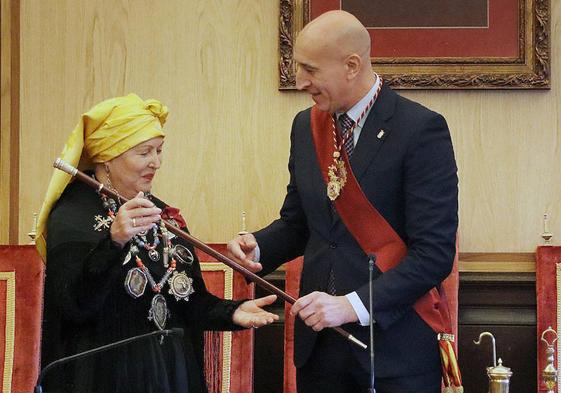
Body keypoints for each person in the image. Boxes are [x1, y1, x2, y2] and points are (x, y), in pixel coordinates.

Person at [227, 10, 459, 393]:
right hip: (320, 350)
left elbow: (433, 254)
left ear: (352, 65)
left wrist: (353, 305)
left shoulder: (419, 130)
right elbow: (300, 223)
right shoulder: (306, 126)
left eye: (310, 69)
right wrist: (258, 246)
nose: (300, 81)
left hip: (395, 351)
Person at [36, 93, 278, 393]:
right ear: (108, 156)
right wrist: (114, 241)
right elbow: (74, 304)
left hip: (170, 371)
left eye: (159, 151)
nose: (157, 162)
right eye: (144, 152)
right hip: (104, 375)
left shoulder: (164, 216)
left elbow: (189, 302)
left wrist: (231, 312)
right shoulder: (72, 215)